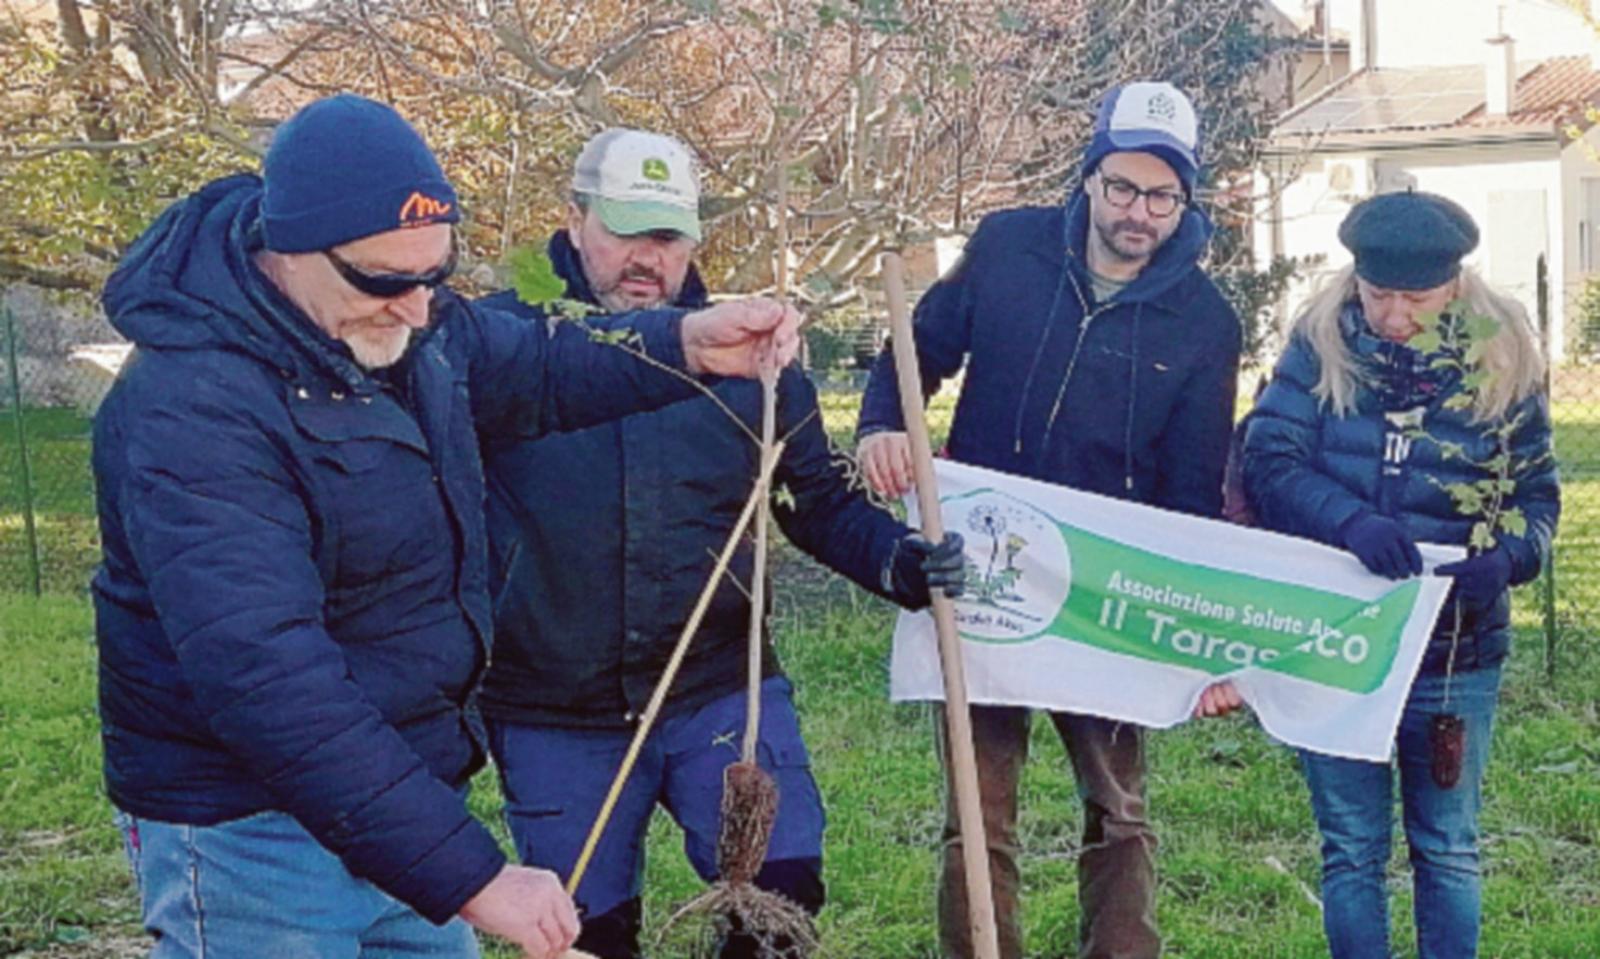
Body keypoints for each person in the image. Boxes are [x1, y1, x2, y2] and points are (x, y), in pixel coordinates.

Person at [92, 95, 799, 959]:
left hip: (405, 803)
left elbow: (538, 366)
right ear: (288, 249)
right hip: (251, 832)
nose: (418, 309)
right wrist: (472, 877)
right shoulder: (194, 408)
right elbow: (269, 680)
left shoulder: (403, 327)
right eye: (386, 281)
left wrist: (688, 340)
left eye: (434, 275)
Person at [475, 127, 966, 959]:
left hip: (716, 685)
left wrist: (899, 562)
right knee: (581, 929)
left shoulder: (751, 361)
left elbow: (818, 500)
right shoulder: (508, 346)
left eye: (668, 237)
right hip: (552, 700)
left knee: (782, 892)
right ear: (574, 217)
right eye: (626, 229)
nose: (647, 258)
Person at [856, 82, 1241, 959]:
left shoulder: (1208, 322)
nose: (1139, 212)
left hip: (1106, 593)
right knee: (978, 806)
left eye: (1161, 195)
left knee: (1119, 807)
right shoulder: (1007, 247)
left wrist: (1191, 632)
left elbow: (1191, 493)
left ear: (1186, 200)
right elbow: (919, 349)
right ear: (1090, 177)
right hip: (982, 572)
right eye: (1122, 187)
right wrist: (883, 422)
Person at [1240, 190, 1559, 959]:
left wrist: (1508, 559)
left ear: (1456, 284)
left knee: (1446, 845)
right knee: (1351, 845)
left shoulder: (1502, 351)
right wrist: (1348, 521)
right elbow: (1269, 459)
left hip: (1456, 651)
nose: (1392, 315)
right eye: (1377, 293)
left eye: (1416, 298)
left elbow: (1538, 496)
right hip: (1338, 638)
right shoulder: (1321, 341)